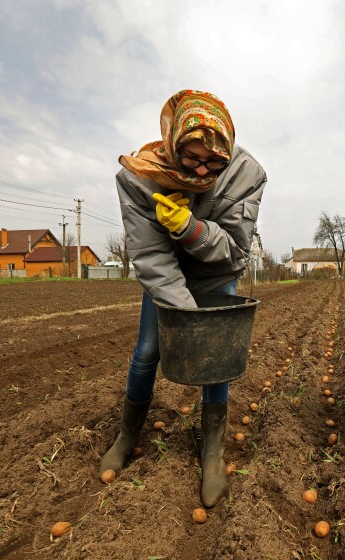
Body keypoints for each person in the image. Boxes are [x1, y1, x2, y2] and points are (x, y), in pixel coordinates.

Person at [100, 90, 266, 507]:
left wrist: (190, 228)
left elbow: (235, 250)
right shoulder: (139, 177)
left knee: (216, 359)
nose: (203, 169)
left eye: (214, 162)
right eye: (191, 158)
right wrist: (183, 315)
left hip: (216, 273)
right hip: (166, 278)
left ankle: (213, 452)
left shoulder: (247, 175)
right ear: (174, 144)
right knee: (148, 350)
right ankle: (128, 434)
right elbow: (150, 254)